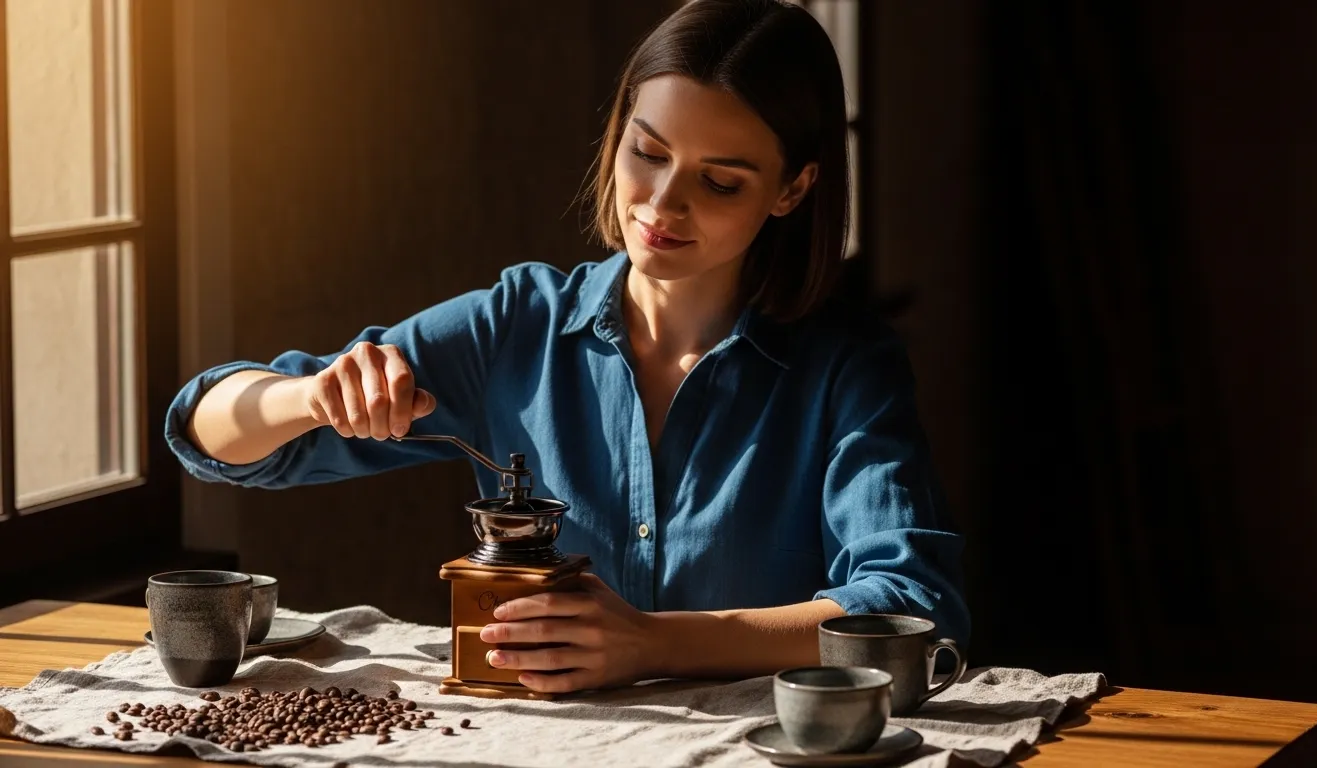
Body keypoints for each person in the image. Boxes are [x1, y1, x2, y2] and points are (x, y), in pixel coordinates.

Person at [167, 0, 969, 694]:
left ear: (792, 189)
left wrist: (653, 643)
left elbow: (909, 605)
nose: (662, 203)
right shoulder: (518, 325)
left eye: (719, 181)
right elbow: (210, 432)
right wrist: (310, 398)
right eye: (647, 153)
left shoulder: (843, 368)